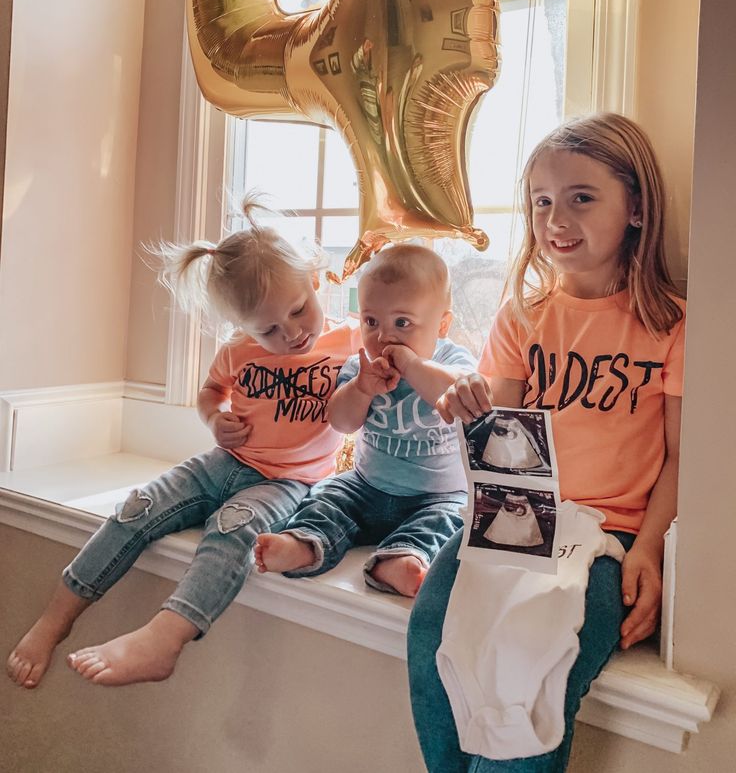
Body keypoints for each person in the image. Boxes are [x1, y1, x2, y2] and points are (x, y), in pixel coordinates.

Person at [407, 113, 686, 771]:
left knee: (539, 667)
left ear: (637, 207)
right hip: (518, 517)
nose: (556, 218)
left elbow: (680, 456)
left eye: (581, 198)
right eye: (542, 201)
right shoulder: (525, 315)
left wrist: (648, 547)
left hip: (606, 537)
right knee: (432, 630)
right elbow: (496, 430)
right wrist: (462, 406)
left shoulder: (670, 325)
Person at [6, 196, 360, 688]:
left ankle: (166, 638)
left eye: (300, 310)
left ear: (316, 280)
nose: (293, 334)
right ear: (244, 327)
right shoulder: (239, 350)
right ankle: (58, 615)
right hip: (222, 460)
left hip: (288, 482)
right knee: (137, 507)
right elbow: (210, 392)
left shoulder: (349, 343)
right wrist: (215, 418)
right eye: (269, 329)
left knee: (234, 531)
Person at [254, 244, 477, 597]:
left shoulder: (452, 360)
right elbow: (341, 422)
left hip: (435, 496)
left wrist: (414, 367)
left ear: (442, 325)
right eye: (372, 322)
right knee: (329, 494)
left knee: (454, 517)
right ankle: (305, 543)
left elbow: (460, 397)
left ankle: (402, 560)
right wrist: (361, 389)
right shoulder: (362, 366)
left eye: (402, 323)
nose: (384, 336)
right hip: (365, 486)